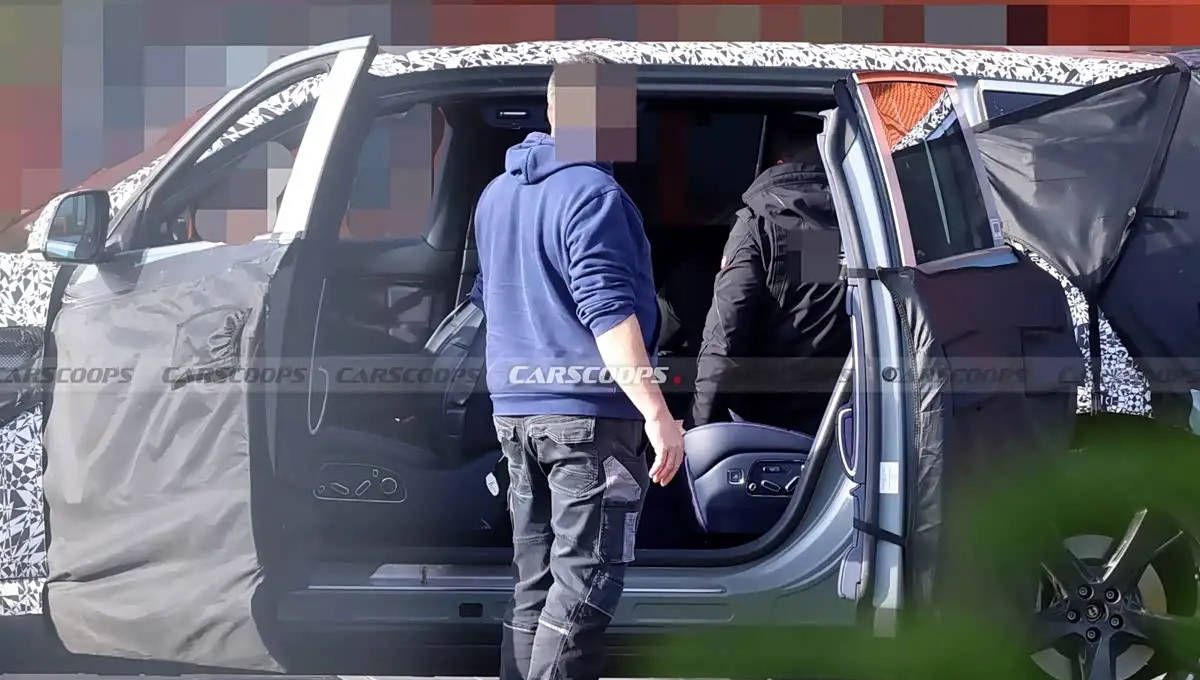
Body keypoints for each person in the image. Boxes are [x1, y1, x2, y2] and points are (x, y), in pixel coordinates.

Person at [470, 54, 685, 680]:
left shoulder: (496, 193)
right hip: (587, 421)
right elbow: (608, 313)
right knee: (586, 583)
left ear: (552, 107)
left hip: (516, 415)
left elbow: (485, 302)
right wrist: (657, 414)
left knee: (535, 583)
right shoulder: (596, 195)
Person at [691, 114, 852, 434]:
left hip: (765, 426)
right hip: (843, 420)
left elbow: (726, 334)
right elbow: (813, 314)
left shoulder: (760, 222)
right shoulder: (848, 220)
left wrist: (699, 425)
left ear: (777, 163)